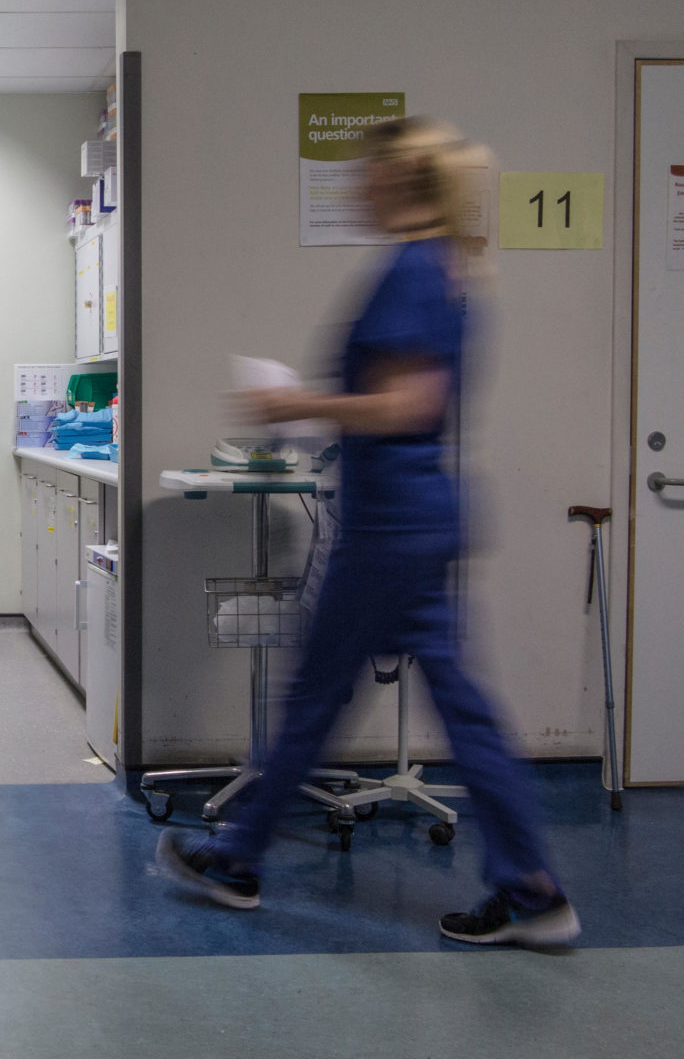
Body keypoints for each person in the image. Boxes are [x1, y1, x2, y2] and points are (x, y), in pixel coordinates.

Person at [156, 116, 579, 949]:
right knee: (461, 709)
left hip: (390, 525)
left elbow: (407, 406)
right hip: (423, 515)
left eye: (367, 173)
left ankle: (237, 857)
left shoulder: (410, 269)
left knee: (315, 695)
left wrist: (295, 405)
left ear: (398, 181)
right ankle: (530, 884)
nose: (356, 187)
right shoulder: (449, 268)